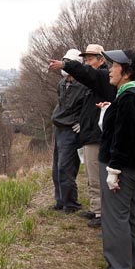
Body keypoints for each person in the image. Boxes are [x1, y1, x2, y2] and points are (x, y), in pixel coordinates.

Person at [48, 44, 117, 228]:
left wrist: (65, 65)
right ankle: (95, 209)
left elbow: (86, 75)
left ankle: (100, 213)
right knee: (89, 175)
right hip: (86, 134)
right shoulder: (78, 82)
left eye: (90, 58)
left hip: (95, 135)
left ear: (102, 59)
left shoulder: (101, 77)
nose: (87, 62)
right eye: (85, 59)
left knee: (93, 175)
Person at [95, 49, 135, 269]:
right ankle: (133, 264)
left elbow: (124, 137)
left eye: (114, 66)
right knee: (130, 213)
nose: (109, 70)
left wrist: (113, 171)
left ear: (126, 72)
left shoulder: (128, 98)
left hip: (122, 167)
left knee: (115, 217)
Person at [50, 48, 88, 213]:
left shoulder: (84, 85)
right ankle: (60, 200)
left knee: (66, 167)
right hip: (59, 127)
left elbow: (88, 107)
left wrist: (82, 122)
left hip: (71, 130)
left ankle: (70, 202)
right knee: (56, 168)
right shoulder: (62, 84)